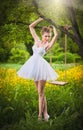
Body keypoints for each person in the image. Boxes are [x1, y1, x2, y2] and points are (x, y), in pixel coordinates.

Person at [17, 17, 58, 121]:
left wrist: (53, 26)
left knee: (40, 93)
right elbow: (31, 26)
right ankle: (46, 114)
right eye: (46, 36)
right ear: (42, 35)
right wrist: (41, 18)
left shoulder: (47, 45)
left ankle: (40, 116)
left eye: (49, 36)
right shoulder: (37, 40)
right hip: (33, 67)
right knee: (41, 93)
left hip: (42, 67)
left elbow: (56, 35)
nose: (47, 38)